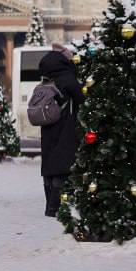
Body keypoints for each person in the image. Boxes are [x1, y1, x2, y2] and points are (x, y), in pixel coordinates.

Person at [37, 45, 83, 216]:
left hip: (47, 126)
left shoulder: (46, 78)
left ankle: (49, 204)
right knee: (62, 164)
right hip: (66, 125)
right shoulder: (68, 78)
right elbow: (82, 98)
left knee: (49, 164)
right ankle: (54, 208)